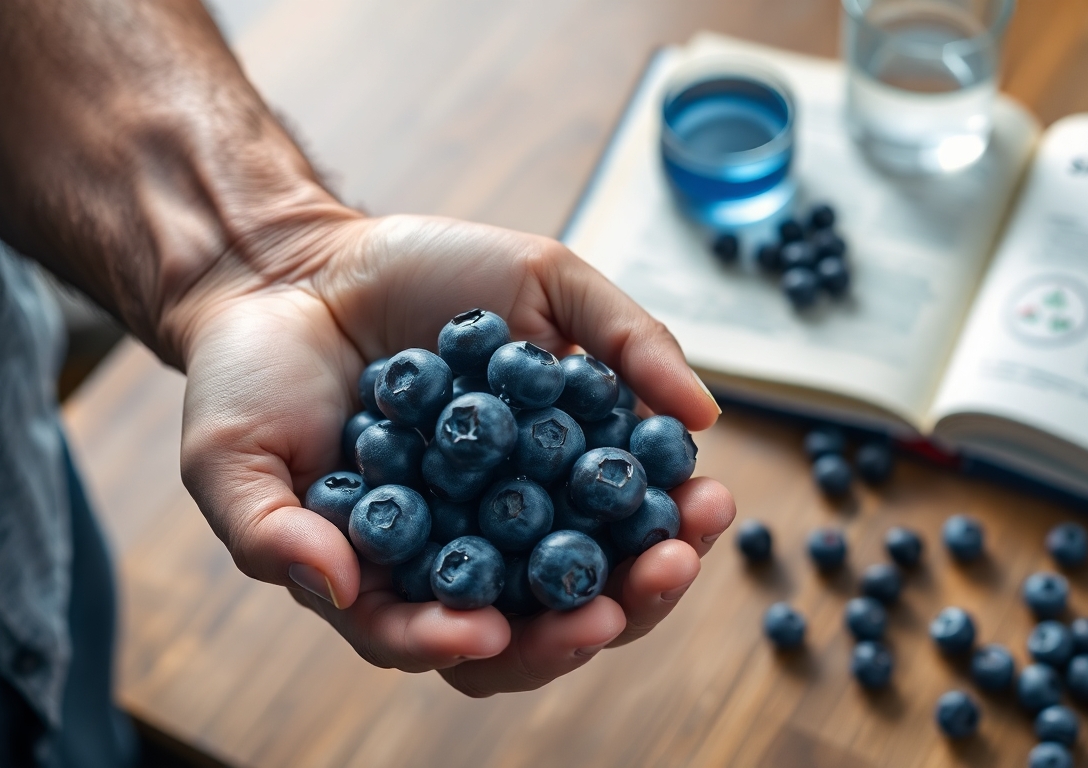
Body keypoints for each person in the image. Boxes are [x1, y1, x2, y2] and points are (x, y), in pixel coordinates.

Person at [0, 0, 735, 764]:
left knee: (79, 714)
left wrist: (268, 246)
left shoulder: (469, 429)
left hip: (22, 524)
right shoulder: (450, 449)